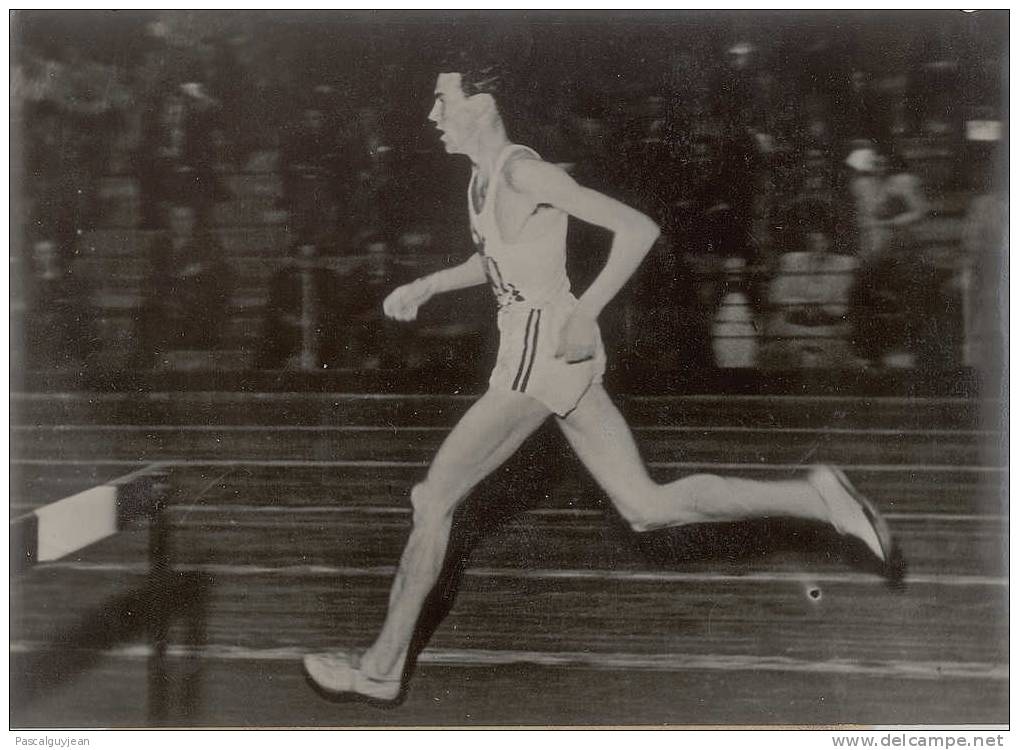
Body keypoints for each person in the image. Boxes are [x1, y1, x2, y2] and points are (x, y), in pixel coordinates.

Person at [303, 59, 903, 703]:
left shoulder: (524, 171)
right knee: (645, 508)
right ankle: (818, 499)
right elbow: (496, 258)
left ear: (481, 106)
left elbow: (638, 229)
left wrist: (585, 313)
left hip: (544, 352)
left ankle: (381, 666)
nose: (431, 114)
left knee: (434, 501)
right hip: (540, 352)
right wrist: (429, 284)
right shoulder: (482, 180)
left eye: (441, 99)